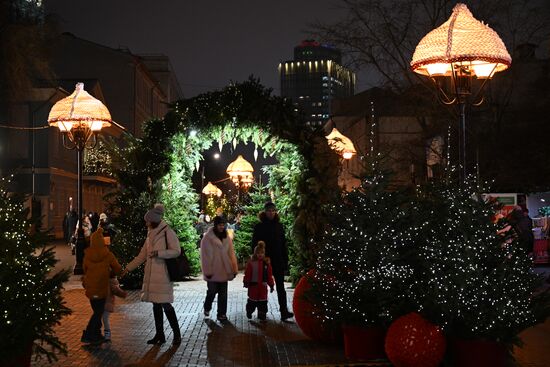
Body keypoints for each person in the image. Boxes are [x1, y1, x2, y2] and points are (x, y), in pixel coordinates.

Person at [122, 204, 182, 345]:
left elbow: (176, 250)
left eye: (147, 220)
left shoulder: (167, 232)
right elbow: (141, 256)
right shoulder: (150, 235)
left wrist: (159, 253)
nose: (145, 223)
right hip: (151, 276)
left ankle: (177, 334)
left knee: (166, 305)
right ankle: (159, 335)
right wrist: (128, 268)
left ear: (153, 220)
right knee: (156, 305)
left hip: (163, 276)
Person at [251, 202, 294, 320]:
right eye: (269, 210)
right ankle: (262, 311)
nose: (271, 213)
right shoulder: (259, 227)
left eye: (273, 210)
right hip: (264, 261)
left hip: (278, 260)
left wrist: (285, 261)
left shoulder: (279, 226)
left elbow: (283, 245)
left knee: (281, 287)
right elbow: (254, 244)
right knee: (262, 286)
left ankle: (284, 311)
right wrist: (257, 258)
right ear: (265, 212)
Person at [81, 227, 123, 344]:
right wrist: (119, 272)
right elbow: (117, 268)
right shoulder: (107, 254)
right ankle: (89, 334)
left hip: (90, 289)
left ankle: (96, 334)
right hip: (102, 289)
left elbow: (84, 270)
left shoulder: (87, 255)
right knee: (98, 313)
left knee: (97, 311)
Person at [200, 215, 238, 322]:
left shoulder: (227, 238)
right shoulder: (207, 238)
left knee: (223, 294)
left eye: (223, 225)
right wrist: (207, 271)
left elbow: (231, 254)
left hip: (224, 270)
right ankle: (207, 306)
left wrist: (234, 269)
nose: (222, 227)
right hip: (212, 270)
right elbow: (204, 256)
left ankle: (222, 314)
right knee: (211, 291)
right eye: (220, 225)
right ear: (215, 225)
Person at [244, 241, 274, 320]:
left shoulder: (266, 264)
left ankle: (262, 314)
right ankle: (249, 311)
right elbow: (248, 274)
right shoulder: (252, 263)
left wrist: (271, 285)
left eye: (262, 253)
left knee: (263, 302)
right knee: (252, 301)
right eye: (258, 253)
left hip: (263, 287)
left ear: (264, 254)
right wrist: (246, 282)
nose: (260, 254)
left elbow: (269, 276)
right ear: (255, 254)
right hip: (253, 286)